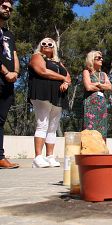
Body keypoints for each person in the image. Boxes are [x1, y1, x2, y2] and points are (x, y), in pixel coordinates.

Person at [27, 38, 71, 168]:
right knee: (42, 124)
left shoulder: (58, 62)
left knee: (53, 126)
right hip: (41, 93)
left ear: (54, 48)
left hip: (57, 96)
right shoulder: (37, 56)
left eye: (50, 44)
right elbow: (42, 71)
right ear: (40, 46)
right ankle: (38, 157)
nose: (46, 45)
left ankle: (50, 156)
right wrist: (63, 78)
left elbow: (68, 76)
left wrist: (66, 82)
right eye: (43, 43)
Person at [0, 0, 19, 169]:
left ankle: (0, 156)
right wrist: (5, 72)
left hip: (9, 81)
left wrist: (16, 73)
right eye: (4, 7)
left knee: (1, 119)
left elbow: (13, 54)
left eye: (10, 9)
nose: (7, 10)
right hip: (3, 76)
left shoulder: (9, 34)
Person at [82, 51, 112, 140]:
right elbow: (88, 87)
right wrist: (102, 86)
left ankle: (101, 151)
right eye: (98, 58)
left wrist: (97, 84)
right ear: (91, 60)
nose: (101, 59)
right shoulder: (86, 72)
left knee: (102, 128)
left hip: (102, 104)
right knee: (89, 128)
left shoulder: (103, 74)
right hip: (90, 104)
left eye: (101, 57)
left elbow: (110, 87)